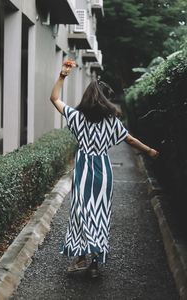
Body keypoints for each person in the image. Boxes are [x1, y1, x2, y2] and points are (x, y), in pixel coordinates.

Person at [50, 60, 159, 278]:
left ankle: (81, 255)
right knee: (99, 214)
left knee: (80, 212)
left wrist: (63, 76)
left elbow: (54, 99)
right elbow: (130, 139)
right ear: (105, 100)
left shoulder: (76, 117)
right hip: (102, 172)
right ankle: (94, 264)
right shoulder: (111, 122)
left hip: (83, 172)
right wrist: (149, 151)